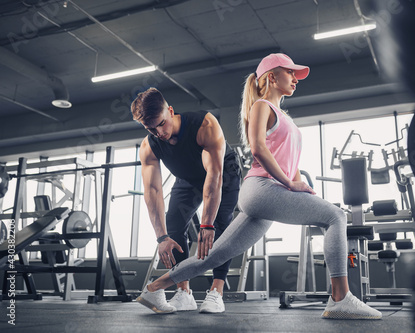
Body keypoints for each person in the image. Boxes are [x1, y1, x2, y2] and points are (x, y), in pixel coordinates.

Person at [136, 53, 382, 319]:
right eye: (291, 73)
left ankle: (155, 288)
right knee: (336, 216)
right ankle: (340, 298)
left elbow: (287, 161)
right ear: (272, 77)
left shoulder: (282, 115)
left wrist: (297, 184)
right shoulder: (261, 106)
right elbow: (258, 148)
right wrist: (288, 182)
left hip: (265, 192)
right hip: (261, 188)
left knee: (215, 253)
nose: (295, 79)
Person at [131, 87, 242, 313]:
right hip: (188, 179)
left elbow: (214, 176)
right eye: (150, 128)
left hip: (224, 174)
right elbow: (152, 191)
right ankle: (184, 292)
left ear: (170, 111)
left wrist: (206, 223)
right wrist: (161, 237)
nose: (159, 132)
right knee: (173, 226)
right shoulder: (148, 146)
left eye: (162, 123)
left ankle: (216, 292)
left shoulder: (204, 125)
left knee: (221, 225)